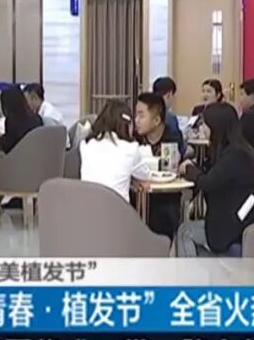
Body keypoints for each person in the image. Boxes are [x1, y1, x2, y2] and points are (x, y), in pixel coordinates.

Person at [176, 102, 254, 257]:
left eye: (204, 125)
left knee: (184, 232)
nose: (201, 129)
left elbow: (207, 182)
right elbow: (212, 174)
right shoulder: (235, 150)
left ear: (216, 127)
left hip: (234, 226)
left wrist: (188, 169)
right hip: (234, 219)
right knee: (186, 231)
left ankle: (190, 272)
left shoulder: (234, 156)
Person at [133, 92, 184, 237]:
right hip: (138, 194)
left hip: (165, 196)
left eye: (141, 116)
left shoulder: (172, 137)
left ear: (156, 120)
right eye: (136, 115)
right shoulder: (134, 139)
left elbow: (172, 168)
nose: (136, 120)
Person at [80, 100, 152, 203]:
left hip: (86, 208)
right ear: (127, 125)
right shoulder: (130, 149)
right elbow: (145, 175)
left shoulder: (85, 145)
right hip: (117, 210)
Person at [0, 85, 44, 154]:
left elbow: (9, 147)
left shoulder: (12, 120)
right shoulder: (38, 119)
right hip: (35, 157)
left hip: (18, 158)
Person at [151, 77, 186, 157]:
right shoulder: (170, 118)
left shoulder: (148, 114)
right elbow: (179, 147)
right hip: (167, 156)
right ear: (169, 94)